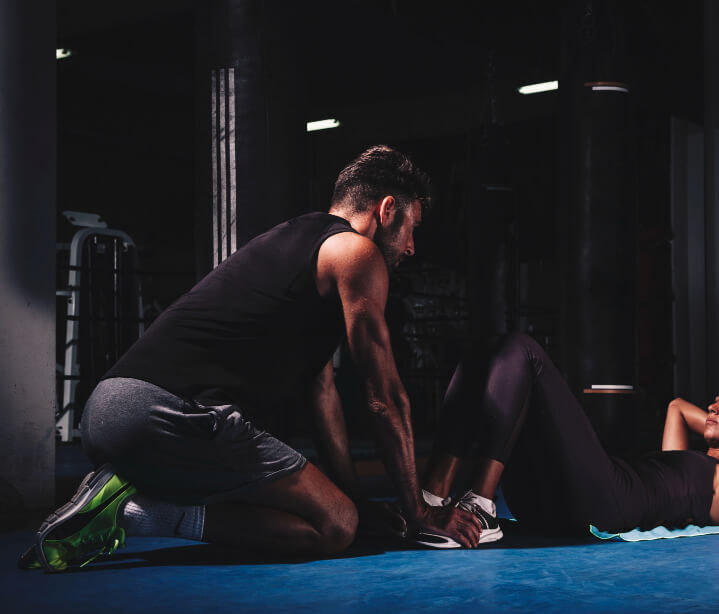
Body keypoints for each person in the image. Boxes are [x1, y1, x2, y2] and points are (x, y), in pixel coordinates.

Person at [21, 145, 481, 572]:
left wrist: (358, 500)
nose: (411, 247)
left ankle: (126, 494)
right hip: (168, 413)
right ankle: (135, 512)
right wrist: (419, 512)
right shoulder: (356, 254)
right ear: (385, 210)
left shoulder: (302, 245)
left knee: (343, 514)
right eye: (411, 228)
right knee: (334, 526)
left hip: (114, 413)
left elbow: (321, 393)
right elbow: (383, 394)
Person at [415, 333, 719, 547]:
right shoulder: (687, 461)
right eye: (715, 401)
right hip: (549, 506)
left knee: (524, 351)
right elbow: (676, 407)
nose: (715, 407)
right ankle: (433, 497)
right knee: (487, 349)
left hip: (603, 502)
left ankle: (482, 505)